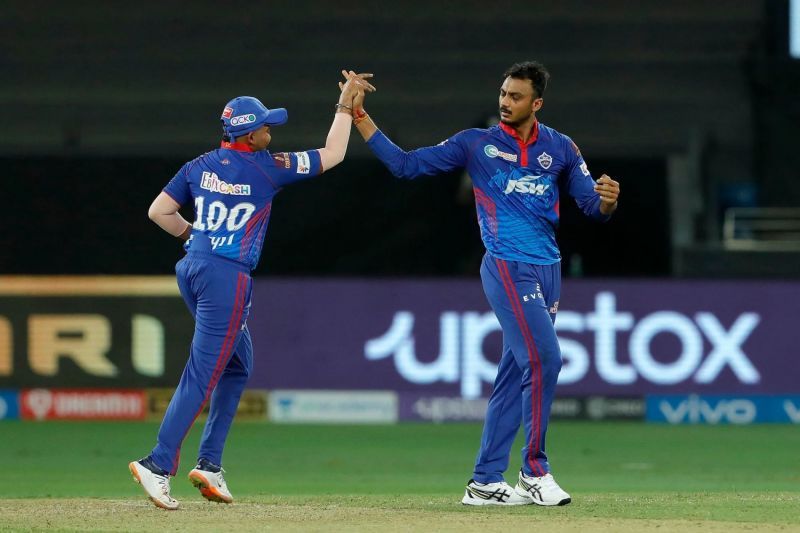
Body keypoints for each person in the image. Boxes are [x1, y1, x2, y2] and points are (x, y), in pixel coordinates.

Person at [345, 62, 619, 506]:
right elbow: (406, 165)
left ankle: (485, 481)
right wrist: (360, 116)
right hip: (508, 266)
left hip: (549, 269)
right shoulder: (477, 145)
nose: (505, 102)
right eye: (503, 93)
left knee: (515, 374)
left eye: (515, 96)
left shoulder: (561, 148)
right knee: (546, 360)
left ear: (537, 103)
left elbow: (590, 204)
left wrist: (606, 201)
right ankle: (534, 471)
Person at [129, 71, 374, 510]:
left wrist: (194, 236)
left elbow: (158, 211)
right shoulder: (268, 167)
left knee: (238, 365)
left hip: (193, 268)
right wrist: (344, 106)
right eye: (264, 126)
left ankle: (209, 465)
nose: (269, 131)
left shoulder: (198, 166)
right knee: (202, 375)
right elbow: (334, 153)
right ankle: (157, 464)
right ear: (247, 135)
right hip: (227, 277)